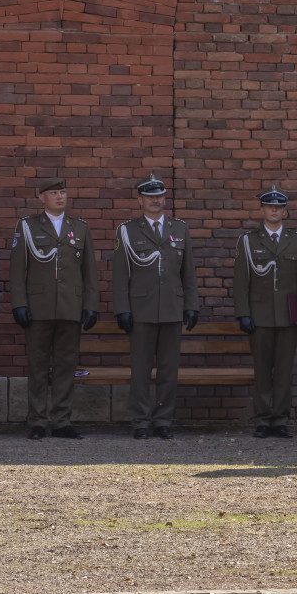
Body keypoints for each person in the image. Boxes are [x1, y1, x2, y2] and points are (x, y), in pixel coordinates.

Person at [10, 178, 99, 440]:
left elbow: (90, 272)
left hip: (71, 306)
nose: (60, 197)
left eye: (63, 192)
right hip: (38, 306)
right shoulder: (27, 226)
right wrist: (19, 303)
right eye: (54, 193)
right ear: (41, 198)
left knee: (65, 365)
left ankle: (61, 421)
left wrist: (90, 305)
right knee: (37, 365)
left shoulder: (80, 228)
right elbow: (16, 271)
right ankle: (37, 420)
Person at [112, 173, 199, 441]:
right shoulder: (127, 230)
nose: (155, 201)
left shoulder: (179, 229)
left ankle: (163, 420)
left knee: (168, 370)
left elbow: (189, 273)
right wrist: (122, 309)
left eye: (159, 196)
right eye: (150, 197)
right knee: (140, 371)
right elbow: (119, 275)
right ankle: (140, 421)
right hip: (141, 310)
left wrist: (191, 305)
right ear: (140, 200)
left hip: (172, 309)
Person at [234, 186, 297, 439]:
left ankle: (280, 420)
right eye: (270, 206)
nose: (274, 210)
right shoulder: (248, 240)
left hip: (288, 315)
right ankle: (261, 420)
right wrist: (243, 313)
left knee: (283, 370)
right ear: (262, 209)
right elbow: (240, 281)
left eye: (278, 207)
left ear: (284, 211)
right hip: (259, 315)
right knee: (262, 370)